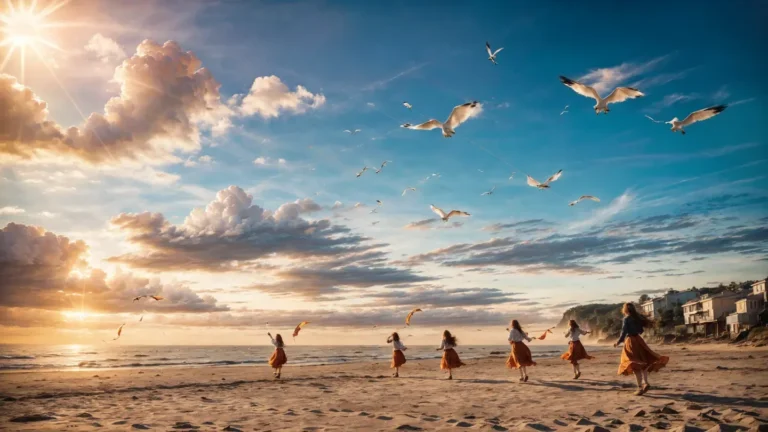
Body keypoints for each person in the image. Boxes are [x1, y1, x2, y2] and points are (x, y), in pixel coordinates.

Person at [614, 303, 669, 395]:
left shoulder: (626, 319)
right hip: (639, 340)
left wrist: (618, 342)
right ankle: (645, 383)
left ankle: (640, 387)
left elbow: (623, 332)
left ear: (625, 310)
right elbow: (641, 330)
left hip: (630, 341)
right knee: (643, 362)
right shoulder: (637, 318)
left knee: (634, 364)